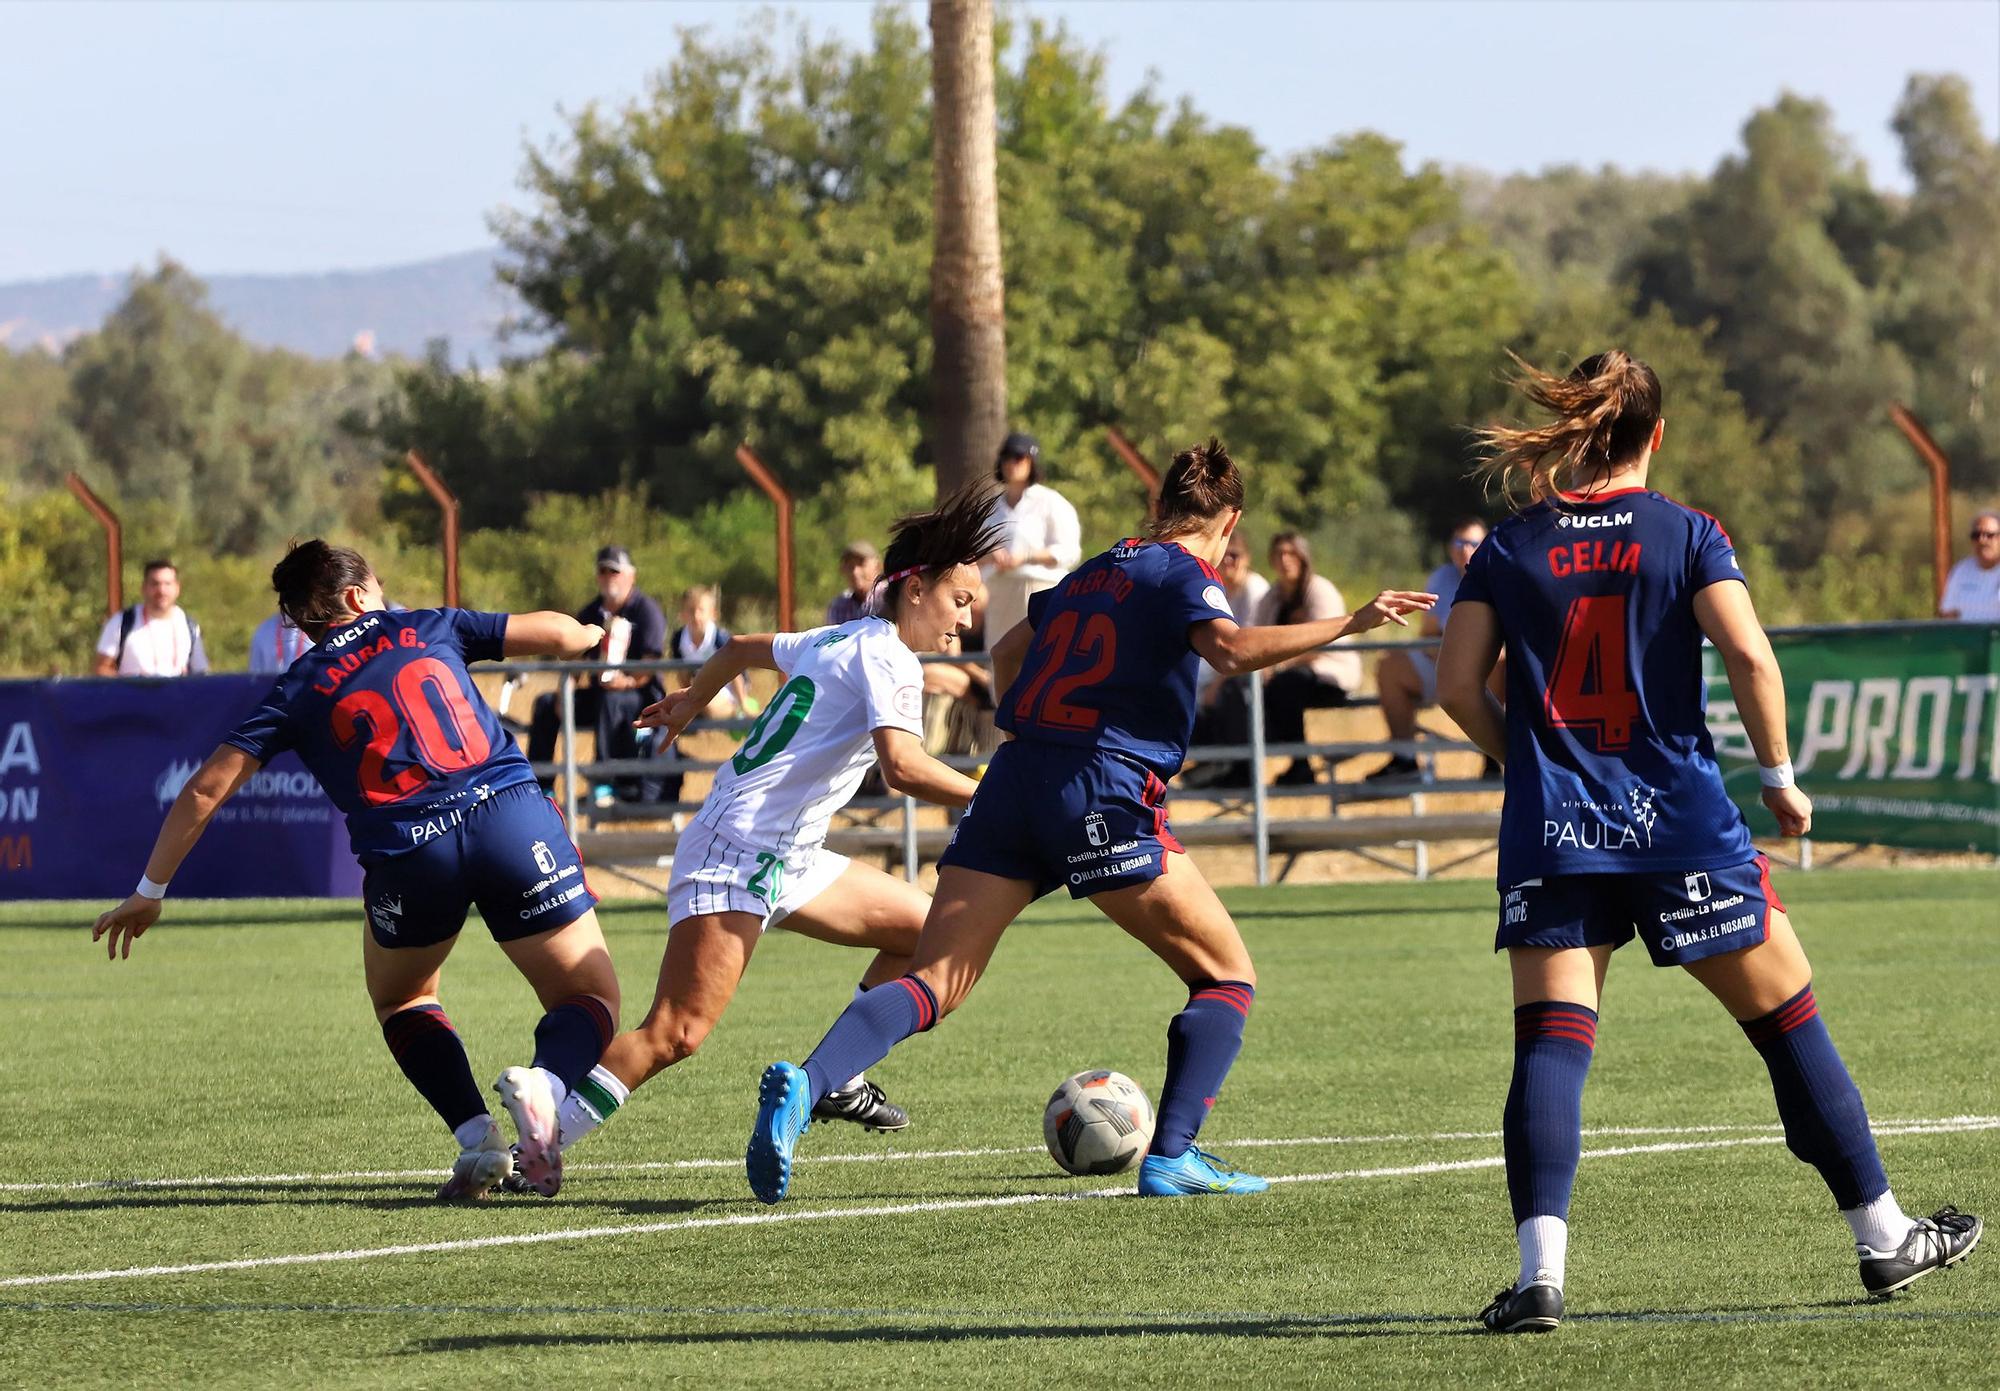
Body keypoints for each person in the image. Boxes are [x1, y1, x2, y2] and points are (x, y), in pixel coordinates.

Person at [1434, 351, 1981, 1334]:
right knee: (1786, 1027)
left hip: (1554, 828)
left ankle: (1539, 1278)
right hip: (1678, 822)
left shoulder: (1508, 543)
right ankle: (1882, 1233)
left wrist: (1524, 763)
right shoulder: (1683, 531)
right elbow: (1746, 651)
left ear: (1575, 431)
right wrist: (1776, 776)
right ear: (1654, 434)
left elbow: (1454, 688)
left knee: (1550, 1049)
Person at [742, 439, 1433, 1205]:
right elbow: (1231, 651)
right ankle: (1173, 1154)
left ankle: (807, 1086)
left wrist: (1019, 727)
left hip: (1015, 779)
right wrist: (1351, 623)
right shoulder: (1183, 573)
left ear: (1161, 506)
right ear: (1230, 519)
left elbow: (1010, 645)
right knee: (1226, 973)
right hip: (1101, 789)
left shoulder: (1101, 565)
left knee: (936, 976)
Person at [91, 541, 621, 1203]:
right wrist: (592, 631)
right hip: (508, 816)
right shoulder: (426, 624)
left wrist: (149, 891)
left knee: (404, 998)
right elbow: (555, 634)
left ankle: (478, 1136)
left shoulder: (298, 686)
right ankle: (544, 1085)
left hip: (410, 849)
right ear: (357, 595)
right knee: (589, 996)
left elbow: (204, 790)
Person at [545, 489, 1002, 1163]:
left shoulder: (841, 636)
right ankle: (541, 1138)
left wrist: (692, 700)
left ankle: (839, 1076)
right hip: (740, 847)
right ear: (915, 589)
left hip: (785, 850)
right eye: (960, 600)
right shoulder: (890, 656)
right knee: (675, 1032)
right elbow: (902, 767)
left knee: (930, 931)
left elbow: (738, 647)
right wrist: (988, 793)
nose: (966, 620)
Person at [526, 545, 669, 803]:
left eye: (614, 571)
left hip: (640, 696)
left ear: (630, 576)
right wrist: (564, 694)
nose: (607, 577)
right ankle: (540, 786)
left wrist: (625, 682)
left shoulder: (646, 611)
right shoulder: (590, 613)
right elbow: (574, 662)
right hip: (599, 693)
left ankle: (603, 782)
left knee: (611, 701)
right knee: (547, 704)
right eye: (602, 571)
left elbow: (650, 665)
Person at [1367, 518, 1502, 783]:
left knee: (1499, 661)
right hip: (1445, 661)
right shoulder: (1441, 578)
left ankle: (1495, 758)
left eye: (1473, 543)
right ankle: (1404, 760)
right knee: (1389, 667)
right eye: (1459, 543)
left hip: (1489, 666)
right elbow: (1427, 635)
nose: (1465, 549)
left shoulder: (1501, 573)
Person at [1181, 532, 1270, 788]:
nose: (1229, 561)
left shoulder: (1254, 589)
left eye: (1236, 555)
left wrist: (1217, 684)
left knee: (1219, 694)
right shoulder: (1221, 590)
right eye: (1226, 555)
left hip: (1243, 674)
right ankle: (1208, 760)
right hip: (1220, 670)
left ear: (1247, 559)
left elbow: (1248, 644)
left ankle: (1224, 763)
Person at [981, 431, 1081, 642]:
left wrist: (1026, 557)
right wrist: (992, 555)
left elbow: (1069, 552)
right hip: (999, 590)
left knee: (1037, 657)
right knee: (998, 658)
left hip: (1039, 588)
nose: (1012, 464)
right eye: (1007, 457)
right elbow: (975, 552)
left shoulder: (1051, 502)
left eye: (1018, 458)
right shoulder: (990, 507)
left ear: (1031, 462)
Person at [94, 559, 210, 677]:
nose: (161, 590)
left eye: (167, 584)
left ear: (177, 588)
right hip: (135, 694)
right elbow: (100, 669)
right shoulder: (121, 622)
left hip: (176, 695)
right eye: (155, 584)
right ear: (144, 588)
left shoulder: (189, 626)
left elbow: (200, 673)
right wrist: (131, 683)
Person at [1939, 509, 2000, 620]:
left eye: (1989, 535)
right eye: (1976, 535)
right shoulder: (1961, 570)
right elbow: (1948, 614)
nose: (1982, 540)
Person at [826, 541, 881, 625]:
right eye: (850, 566)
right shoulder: (838, 607)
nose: (855, 572)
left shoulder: (890, 599)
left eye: (861, 564)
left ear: (877, 566)